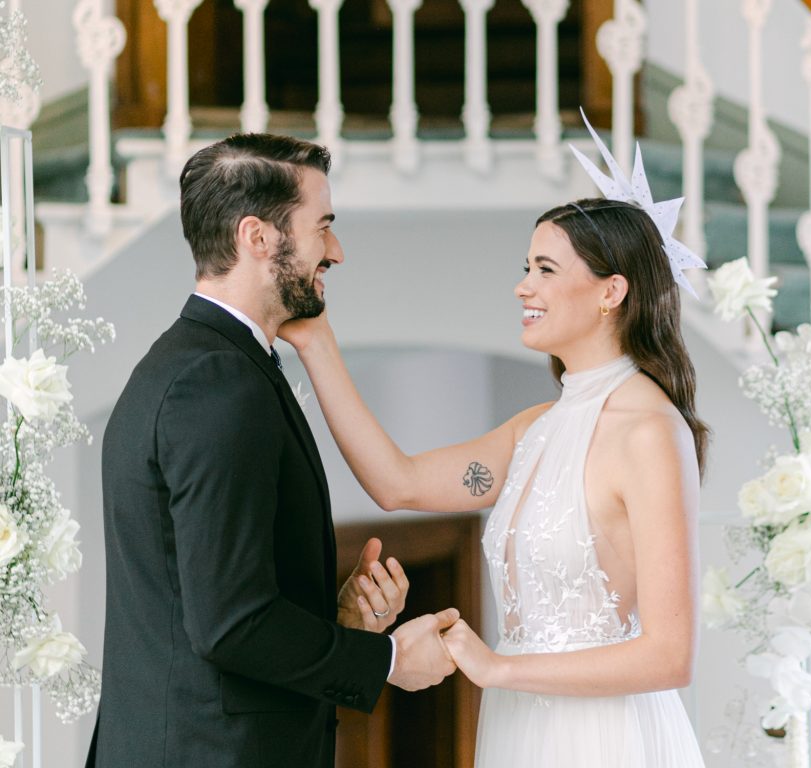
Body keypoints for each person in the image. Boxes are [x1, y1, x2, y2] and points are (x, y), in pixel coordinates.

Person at [280, 123, 709, 766]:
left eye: (544, 269)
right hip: (520, 732)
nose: (522, 286)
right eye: (525, 267)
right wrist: (317, 344)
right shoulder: (534, 430)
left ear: (611, 292)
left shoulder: (650, 433)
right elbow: (398, 483)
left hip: (605, 741)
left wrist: (497, 668)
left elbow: (670, 655)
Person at [88, 133, 459, 768]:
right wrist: (389, 661)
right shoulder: (215, 384)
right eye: (323, 227)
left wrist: (334, 619)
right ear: (257, 238)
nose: (335, 251)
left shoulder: (201, 366)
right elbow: (230, 624)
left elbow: (207, 596)